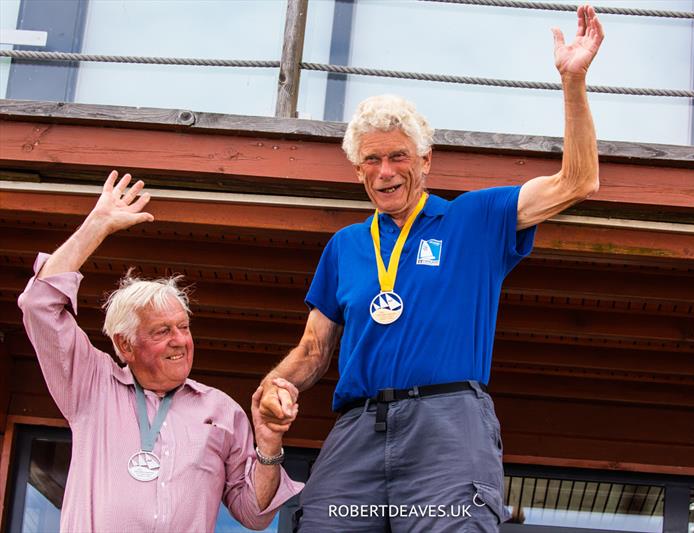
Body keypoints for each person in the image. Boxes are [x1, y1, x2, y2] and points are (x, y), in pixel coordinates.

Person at [258, 5, 604, 531]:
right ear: (357, 170)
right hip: (358, 429)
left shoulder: (474, 217)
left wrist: (573, 81)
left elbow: (577, 181)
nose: (386, 171)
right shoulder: (347, 245)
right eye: (371, 160)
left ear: (425, 160)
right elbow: (313, 350)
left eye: (398, 157)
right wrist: (275, 384)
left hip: (446, 424)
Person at [18, 171, 303, 532]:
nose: (179, 340)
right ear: (125, 344)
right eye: (162, 331)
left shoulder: (221, 411)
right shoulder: (91, 386)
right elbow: (38, 304)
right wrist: (97, 226)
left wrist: (268, 443)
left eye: (183, 327)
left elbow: (255, 514)